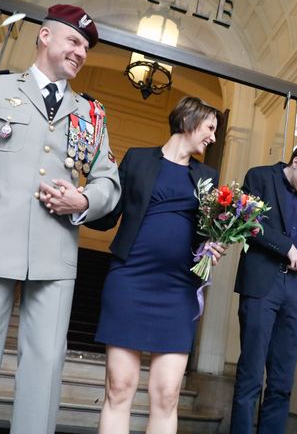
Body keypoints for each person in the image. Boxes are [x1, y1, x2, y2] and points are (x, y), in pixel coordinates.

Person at [0, 4, 121, 434]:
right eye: (74, 41)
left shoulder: (92, 113)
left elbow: (110, 182)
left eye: (86, 47)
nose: (81, 52)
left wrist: (84, 200)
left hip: (55, 253)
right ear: (45, 37)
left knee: (46, 366)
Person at [86, 96, 225, 434]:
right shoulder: (138, 159)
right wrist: (80, 202)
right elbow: (109, 216)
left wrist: (212, 245)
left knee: (167, 394)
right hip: (130, 280)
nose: (213, 138)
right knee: (119, 387)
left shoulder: (207, 175)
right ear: (189, 121)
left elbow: (208, 231)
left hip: (178, 290)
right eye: (210, 128)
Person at [230, 140, 297, 434]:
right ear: (296, 162)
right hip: (262, 285)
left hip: (293, 289)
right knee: (250, 377)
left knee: (283, 380)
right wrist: (286, 246)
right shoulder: (259, 177)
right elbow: (248, 221)